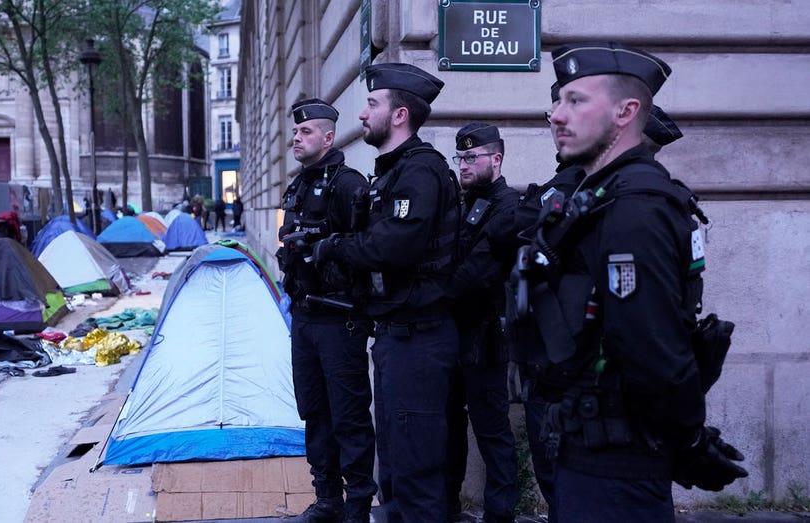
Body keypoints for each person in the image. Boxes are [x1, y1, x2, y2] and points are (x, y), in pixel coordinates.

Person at [511, 42, 747, 522]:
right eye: (558, 101)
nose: (557, 114)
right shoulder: (596, 195)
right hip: (588, 453)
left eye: (576, 100)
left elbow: (651, 348)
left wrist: (690, 439)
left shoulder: (635, 207)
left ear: (626, 111)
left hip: (618, 469)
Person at [313, 62, 461, 523]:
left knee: (416, 470)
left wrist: (337, 246)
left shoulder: (420, 171)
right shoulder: (393, 172)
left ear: (399, 115)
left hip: (421, 337)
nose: (361, 115)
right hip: (398, 335)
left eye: (372, 104)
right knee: (396, 466)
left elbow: (396, 244)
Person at [277, 98, 376, 523]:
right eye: (295, 133)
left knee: (349, 415)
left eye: (305, 133)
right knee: (314, 411)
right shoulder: (298, 185)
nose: (296, 139)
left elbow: (368, 250)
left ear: (329, 137)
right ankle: (327, 499)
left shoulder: (348, 185)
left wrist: (325, 252)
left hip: (340, 317)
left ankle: (357, 506)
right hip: (304, 317)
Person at [442, 124, 521, 523]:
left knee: (492, 433)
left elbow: (479, 271)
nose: (464, 165)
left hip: (487, 336)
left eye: (472, 157)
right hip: (453, 334)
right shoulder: (460, 203)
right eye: (460, 158)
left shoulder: (509, 205)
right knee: (451, 428)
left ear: (496, 159)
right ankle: (449, 508)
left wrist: (439, 290)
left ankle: (500, 515)